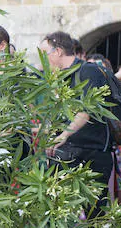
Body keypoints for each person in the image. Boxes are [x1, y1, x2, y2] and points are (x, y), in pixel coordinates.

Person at [38, 31, 113, 217]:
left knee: (96, 215)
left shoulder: (88, 71)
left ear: (58, 51)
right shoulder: (59, 78)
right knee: (58, 211)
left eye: (44, 53)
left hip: (90, 153)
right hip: (66, 152)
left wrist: (63, 135)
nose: (42, 60)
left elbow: (86, 111)